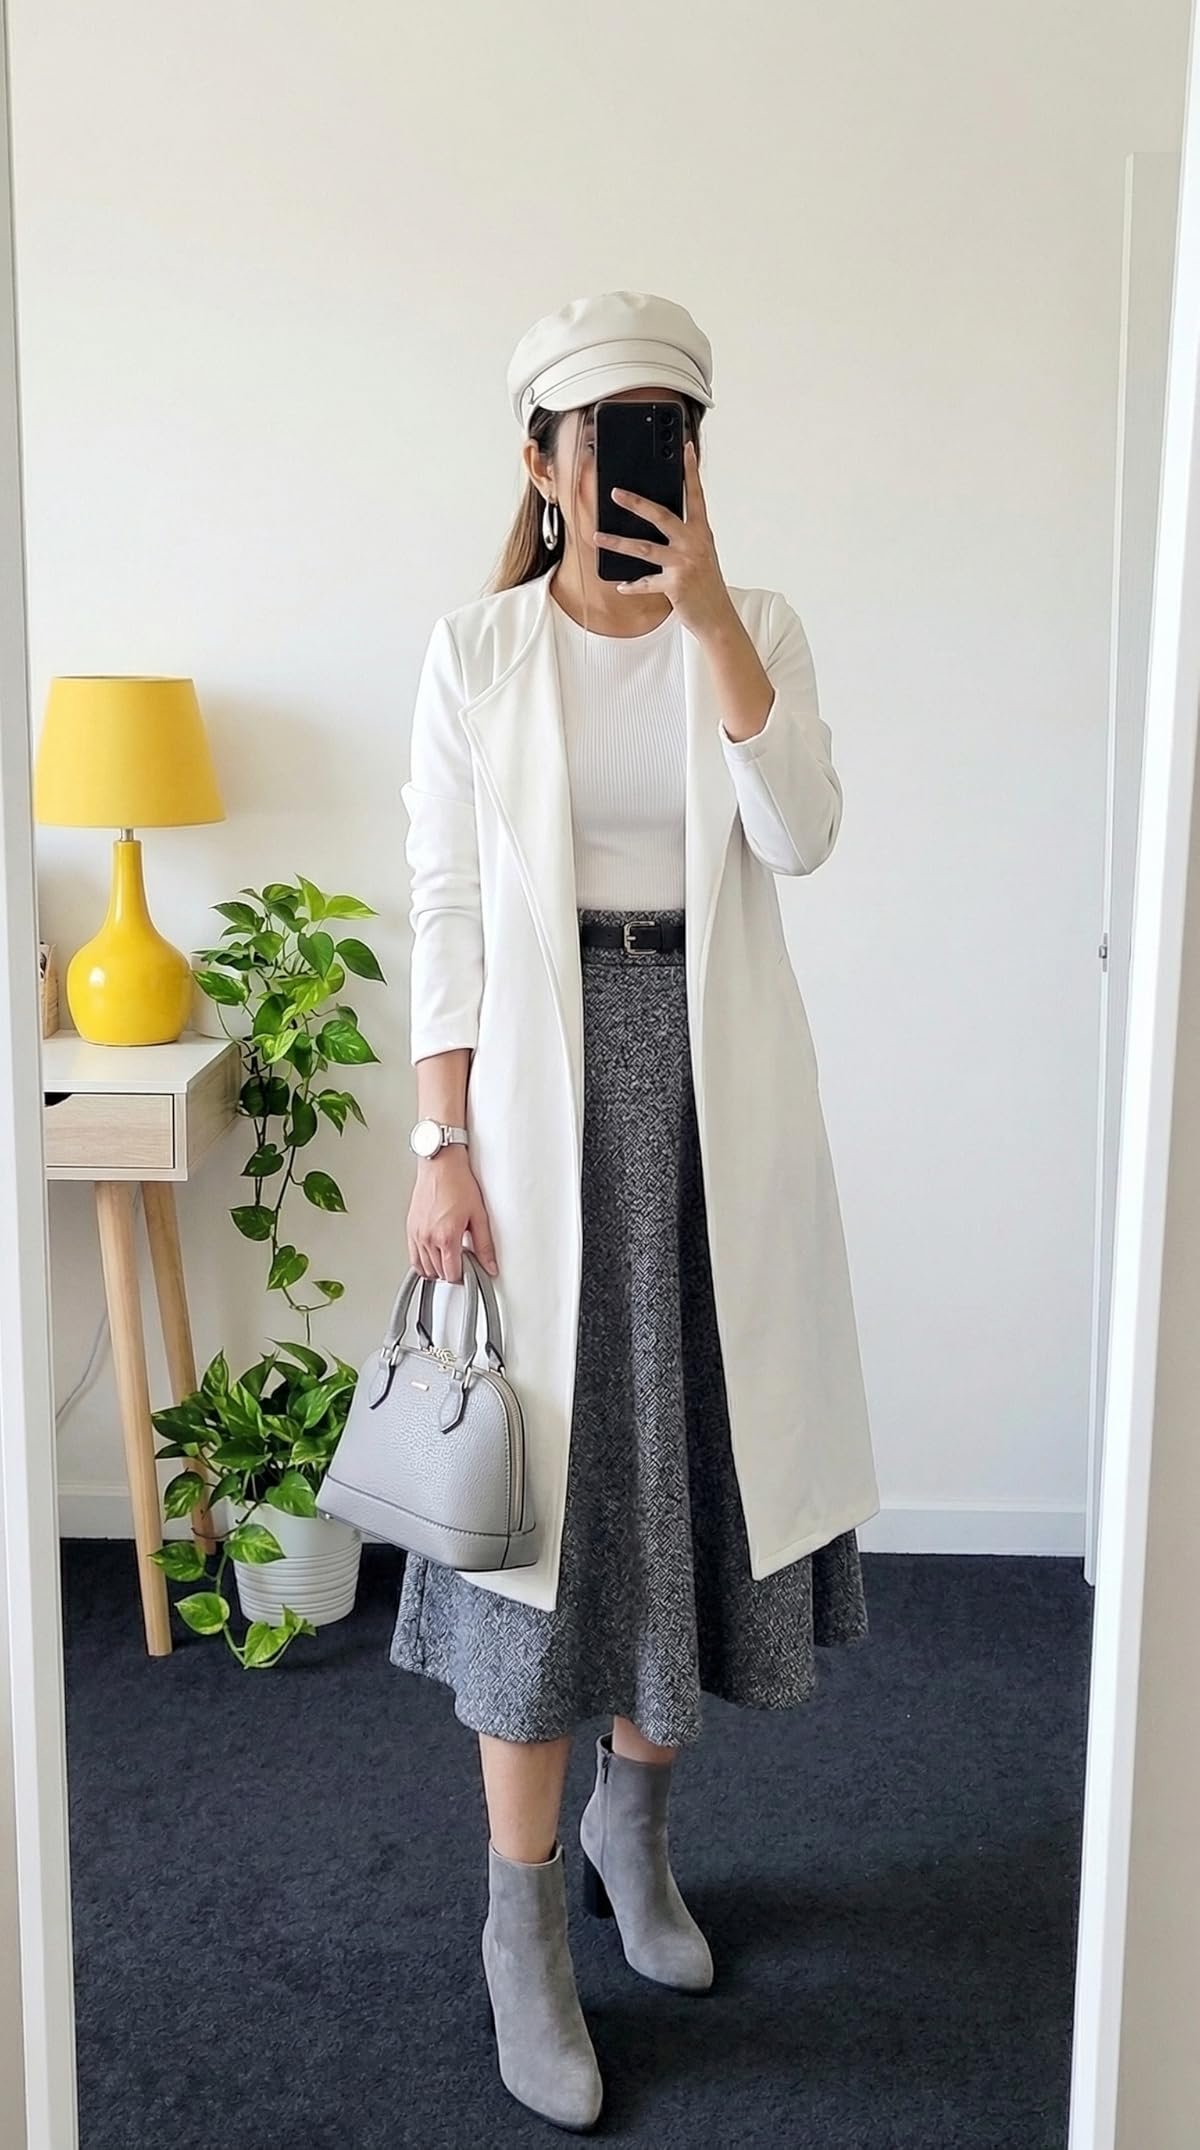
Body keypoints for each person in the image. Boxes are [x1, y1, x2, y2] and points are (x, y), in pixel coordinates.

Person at [389, 290, 880, 2131]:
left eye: (670, 426)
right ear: (540, 456)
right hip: (534, 1108)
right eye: (607, 429)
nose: (637, 461)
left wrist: (712, 615)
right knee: (541, 1528)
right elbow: (444, 900)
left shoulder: (755, 629)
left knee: (683, 1489)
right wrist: (439, 1138)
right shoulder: (477, 652)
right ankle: (520, 1928)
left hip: (709, 1099)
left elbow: (804, 830)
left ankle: (635, 1832)